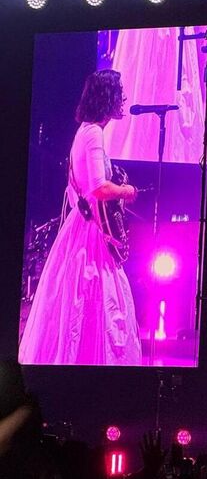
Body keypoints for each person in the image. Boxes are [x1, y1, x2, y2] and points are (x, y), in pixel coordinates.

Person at [19, 69, 142, 367]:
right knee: (97, 299)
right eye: (119, 92)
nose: (123, 98)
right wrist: (127, 191)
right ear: (107, 97)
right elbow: (99, 188)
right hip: (90, 235)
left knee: (83, 299)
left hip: (82, 227)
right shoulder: (94, 134)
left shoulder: (85, 131)